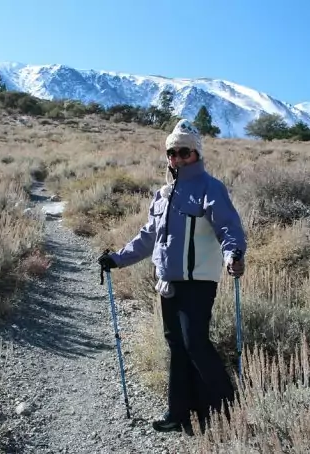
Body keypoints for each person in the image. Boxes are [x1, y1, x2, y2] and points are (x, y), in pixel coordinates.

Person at [97, 119, 247, 435]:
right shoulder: (163, 194)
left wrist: (233, 253)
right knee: (177, 346)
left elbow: (228, 227)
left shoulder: (210, 187)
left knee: (196, 344)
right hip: (168, 283)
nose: (177, 158)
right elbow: (148, 236)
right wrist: (117, 259)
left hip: (198, 281)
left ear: (196, 153)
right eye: (172, 153)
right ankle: (180, 413)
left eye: (184, 152)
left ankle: (228, 411)